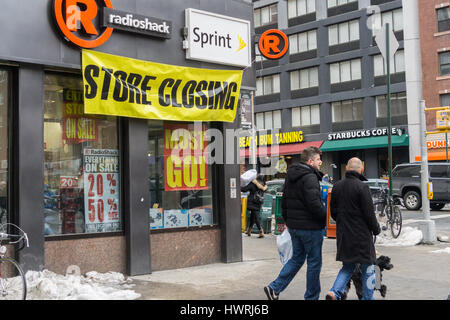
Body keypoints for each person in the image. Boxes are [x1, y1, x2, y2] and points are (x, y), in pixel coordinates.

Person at [264, 146, 327, 300]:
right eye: (319, 159)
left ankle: (275, 287)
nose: (321, 162)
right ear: (311, 161)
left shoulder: (291, 176)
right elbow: (314, 204)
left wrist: (289, 222)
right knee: (314, 263)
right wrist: (323, 217)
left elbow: (283, 201)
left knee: (297, 258)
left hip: (295, 227)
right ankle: (312, 297)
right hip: (310, 228)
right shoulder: (310, 177)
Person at [326, 157, 381, 300]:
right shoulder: (362, 187)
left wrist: (344, 223)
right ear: (361, 169)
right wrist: (376, 229)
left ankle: (334, 292)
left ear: (346, 169)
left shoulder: (337, 186)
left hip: (344, 235)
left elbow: (334, 212)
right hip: (361, 236)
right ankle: (368, 298)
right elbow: (369, 214)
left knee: (347, 267)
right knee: (368, 268)